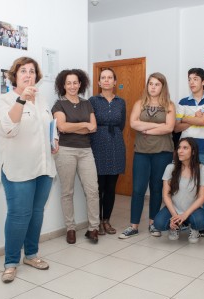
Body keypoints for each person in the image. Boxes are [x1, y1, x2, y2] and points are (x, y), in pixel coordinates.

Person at [0, 56, 59, 283]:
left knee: (36, 213)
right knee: (19, 215)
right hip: (18, 168)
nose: (28, 74)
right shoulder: (5, 100)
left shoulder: (42, 101)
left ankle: (31, 255)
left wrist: (54, 140)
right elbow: (7, 129)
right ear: (15, 75)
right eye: (23, 70)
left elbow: (49, 127)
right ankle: (11, 262)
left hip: (43, 167)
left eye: (32, 71)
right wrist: (21, 100)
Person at [119, 72, 175, 239]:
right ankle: (133, 226)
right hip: (142, 152)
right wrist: (156, 126)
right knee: (137, 189)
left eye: (157, 84)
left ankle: (153, 224)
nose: (153, 87)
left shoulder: (169, 105)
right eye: (150, 83)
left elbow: (169, 128)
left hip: (162, 152)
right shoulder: (139, 103)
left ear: (162, 87)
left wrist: (146, 128)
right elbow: (133, 123)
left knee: (157, 189)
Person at [52, 69, 100, 244]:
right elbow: (62, 127)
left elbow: (93, 127)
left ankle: (93, 228)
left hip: (86, 150)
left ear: (80, 84)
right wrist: (84, 125)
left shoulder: (87, 103)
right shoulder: (58, 105)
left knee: (92, 190)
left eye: (75, 82)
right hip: (65, 150)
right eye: (68, 83)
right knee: (67, 192)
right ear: (63, 85)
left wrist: (79, 126)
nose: (72, 86)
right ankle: (70, 228)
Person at [174, 68, 204, 236]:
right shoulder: (183, 101)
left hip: (203, 148)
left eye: (195, 79)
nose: (192, 82)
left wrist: (185, 118)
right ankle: (184, 221)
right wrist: (194, 119)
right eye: (189, 79)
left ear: (203, 82)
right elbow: (176, 127)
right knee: (182, 186)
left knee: (202, 188)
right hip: (183, 147)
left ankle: (200, 225)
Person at [89, 68, 126, 235]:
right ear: (98, 82)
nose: (106, 80)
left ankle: (106, 221)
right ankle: (96, 222)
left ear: (114, 81)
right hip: (98, 143)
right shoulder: (93, 101)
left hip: (116, 143)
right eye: (103, 78)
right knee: (98, 187)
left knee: (111, 186)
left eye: (110, 77)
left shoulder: (121, 101)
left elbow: (122, 124)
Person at [154, 137, 204, 243]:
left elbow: (202, 197)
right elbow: (166, 195)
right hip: (174, 208)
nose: (180, 151)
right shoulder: (170, 168)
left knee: (200, 222)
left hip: (192, 209)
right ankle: (175, 226)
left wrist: (185, 214)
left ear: (193, 152)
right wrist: (174, 216)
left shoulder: (202, 170)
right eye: (179, 148)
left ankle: (193, 228)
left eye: (185, 148)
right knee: (159, 223)